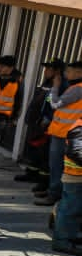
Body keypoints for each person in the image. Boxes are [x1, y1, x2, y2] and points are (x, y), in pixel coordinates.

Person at [39, 60, 82, 206]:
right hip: (65, 132)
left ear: (79, 73)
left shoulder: (77, 89)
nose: (65, 74)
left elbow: (54, 103)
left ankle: (54, 194)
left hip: (64, 133)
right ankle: (54, 191)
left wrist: (55, 88)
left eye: (69, 71)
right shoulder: (74, 87)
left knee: (57, 165)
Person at [17, 58, 65, 187]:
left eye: (49, 68)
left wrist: (48, 119)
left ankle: (43, 180)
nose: (46, 71)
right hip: (36, 121)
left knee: (44, 153)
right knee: (33, 149)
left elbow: (56, 105)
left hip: (46, 125)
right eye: (46, 68)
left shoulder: (59, 85)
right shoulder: (47, 82)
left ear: (58, 71)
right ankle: (31, 173)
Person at [53, 120, 82, 255]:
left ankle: (70, 237)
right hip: (75, 177)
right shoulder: (79, 127)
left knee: (72, 210)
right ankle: (62, 241)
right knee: (70, 210)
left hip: (76, 176)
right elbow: (75, 152)